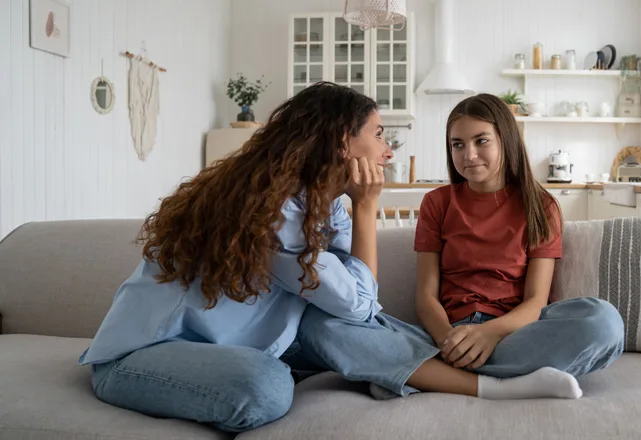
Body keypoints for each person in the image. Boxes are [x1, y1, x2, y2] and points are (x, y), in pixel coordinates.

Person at [79, 83, 585, 434]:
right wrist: (368, 208)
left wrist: (355, 211)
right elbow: (357, 303)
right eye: (379, 135)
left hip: (244, 345)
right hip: (144, 356)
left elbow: (360, 310)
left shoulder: (326, 208)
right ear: (345, 143)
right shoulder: (273, 213)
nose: (388, 151)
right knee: (268, 388)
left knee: (330, 328)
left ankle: (409, 375)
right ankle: (483, 387)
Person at [412, 93, 625, 380]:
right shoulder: (436, 203)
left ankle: (440, 374)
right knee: (363, 330)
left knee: (604, 320)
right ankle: (495, 375)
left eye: (481, 141)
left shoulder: (541, 206)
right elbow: (426, 296)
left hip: (514, 333)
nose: (469, 155)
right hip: (454, 333)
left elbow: (536, 301)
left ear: (506, 140)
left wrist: (488, 334)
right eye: (457, 144)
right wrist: (450, 343)